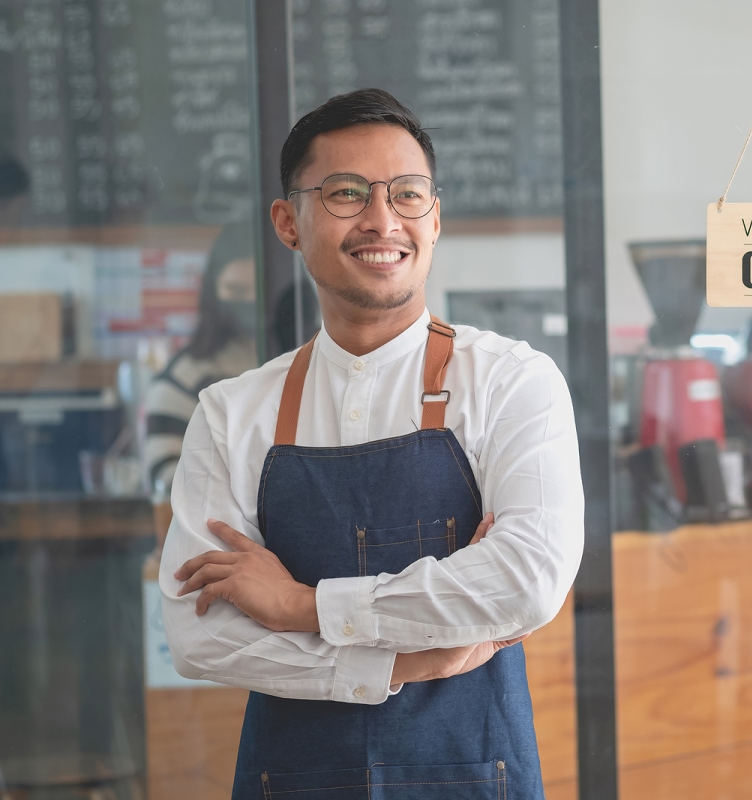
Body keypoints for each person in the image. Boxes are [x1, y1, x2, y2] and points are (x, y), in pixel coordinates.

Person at [158, 88, 583, 799]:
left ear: (434, 218)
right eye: (347, 193)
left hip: (474, 776)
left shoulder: (512, 381)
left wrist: (303, 608)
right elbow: (200, 636)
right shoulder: (231, 413)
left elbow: (526, 580)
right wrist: (401, 664)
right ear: (288, 223)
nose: (383, 220)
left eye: (407, 194)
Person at [142, 224, 258, 492]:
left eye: (261, 291)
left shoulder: (306, 365)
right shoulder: (184, 378)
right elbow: (167, 481)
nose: (251, 303)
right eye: (237, 291)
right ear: (212, 292)